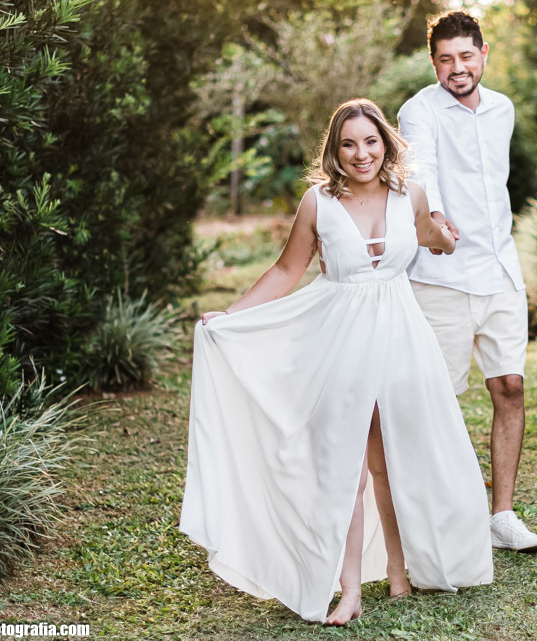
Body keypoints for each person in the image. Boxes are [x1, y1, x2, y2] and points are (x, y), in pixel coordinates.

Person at [179, 98, 493, 626]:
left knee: (392, 457)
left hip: (401, 337)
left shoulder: (410, 195)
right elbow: (287, 270)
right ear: (335, 150)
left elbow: (432, 236)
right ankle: (349, 590)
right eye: (349, 144)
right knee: (345, 465)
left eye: (370, 141)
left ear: (385, 144)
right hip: (339, 339)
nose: (361, 153)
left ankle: (398, 568)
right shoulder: (318, 203)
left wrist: (444, 236)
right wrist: (230, 316)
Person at [398, 11, 537, 553]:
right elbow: (422, 171)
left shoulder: (502, 109)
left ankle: (502, 517)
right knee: (436, 399)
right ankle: (434, 519)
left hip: (501, 270)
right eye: (445, 59)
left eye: (466, 56)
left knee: (510, 387)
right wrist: (435, 216)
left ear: (484, 53)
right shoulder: (418, 111)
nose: (457, 68)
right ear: (433, 62)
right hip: (442, 275)